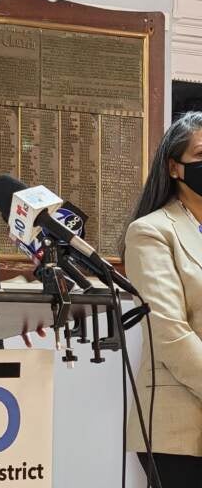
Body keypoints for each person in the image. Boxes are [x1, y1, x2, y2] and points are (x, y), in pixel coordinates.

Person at [123, 111, 202, 487]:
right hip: (181, 428)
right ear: (174, 167)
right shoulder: (151, 232)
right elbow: (170, 335)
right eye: (201, 156)